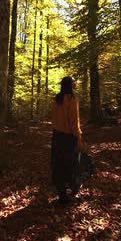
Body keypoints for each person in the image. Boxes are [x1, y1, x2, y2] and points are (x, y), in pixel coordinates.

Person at [51, 76, 83, 204]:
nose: (76, 83)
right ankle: (69, 195)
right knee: (70, 165)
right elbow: (74, 122)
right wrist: (78, 137)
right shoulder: (72, 99)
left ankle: (62, 195)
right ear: (70, 85)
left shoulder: (57, 99)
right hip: (68, 137)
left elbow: (54, 119)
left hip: (56, 136)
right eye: (74, 82)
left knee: (58, 165)